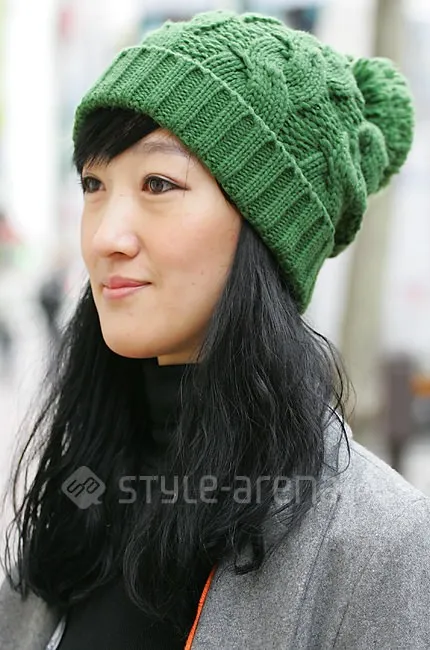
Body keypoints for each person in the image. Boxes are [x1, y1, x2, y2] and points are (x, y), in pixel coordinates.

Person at [0, 9, 428, 650]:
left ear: (266, 231)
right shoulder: (81, 490)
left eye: (158, 183)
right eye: (93, 183)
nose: (106, 236)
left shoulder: (379, 542)